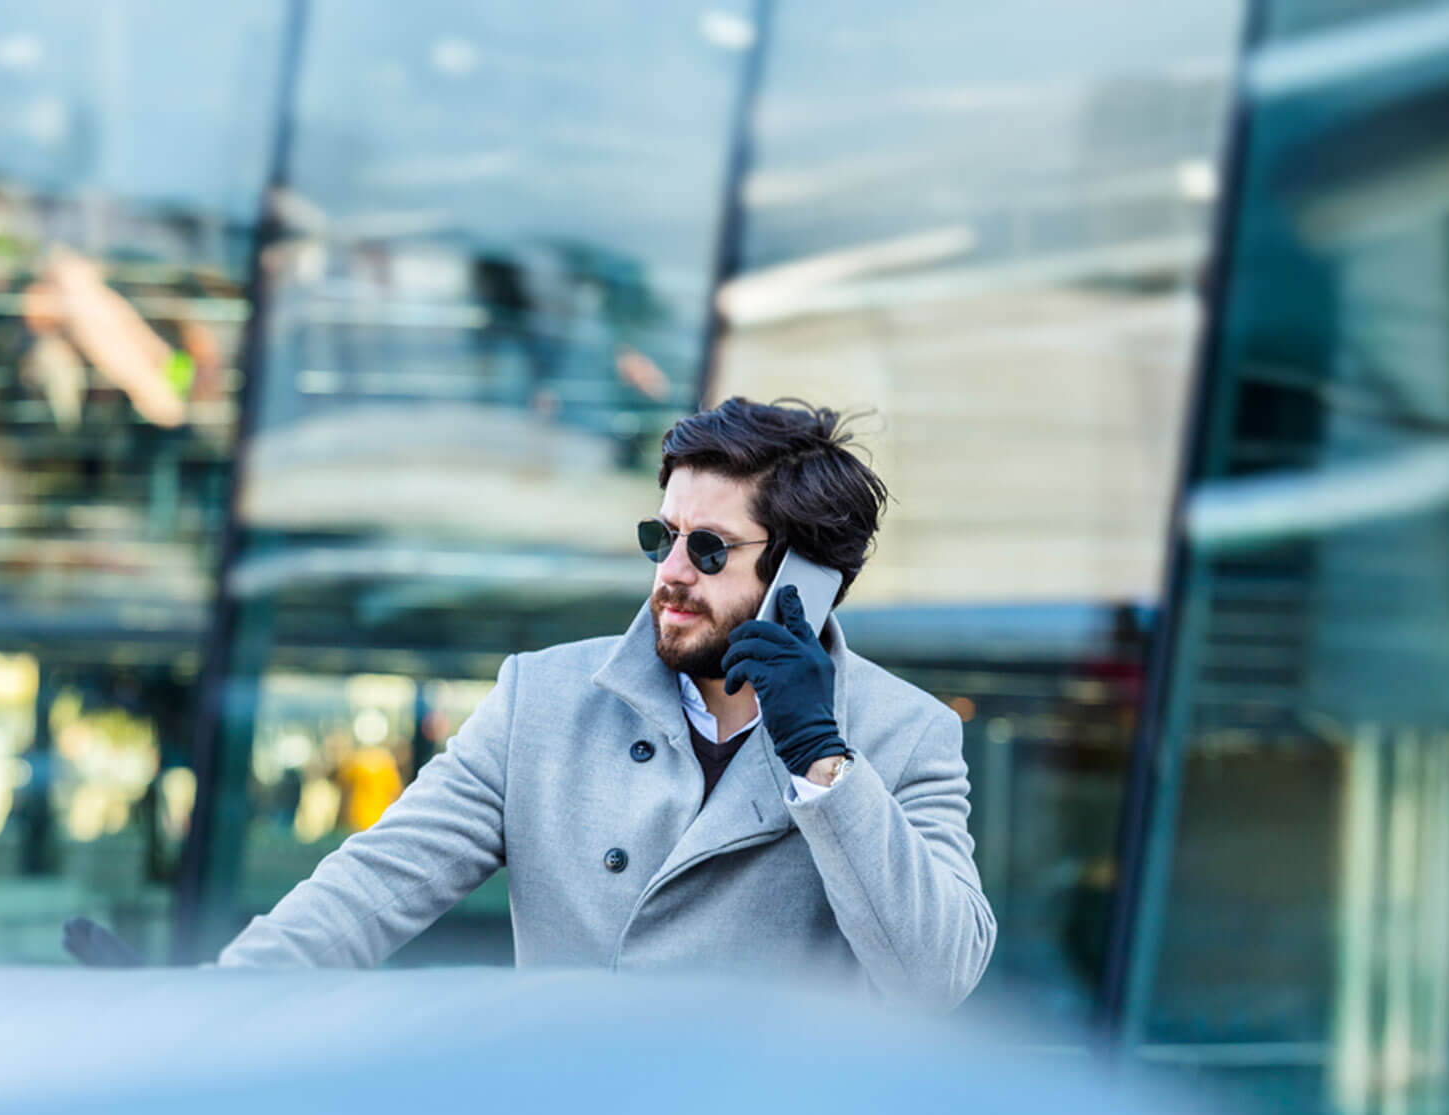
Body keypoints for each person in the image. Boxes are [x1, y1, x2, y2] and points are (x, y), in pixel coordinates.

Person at [226, 397, 996, 1006]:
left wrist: (822, 761)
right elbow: (369, 888)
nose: (671, 572)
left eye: (710, 549)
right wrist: (204, 999)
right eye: (664, 537)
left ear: (804, 577)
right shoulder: (543, 700)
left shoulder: (903, 735)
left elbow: (936, 979)